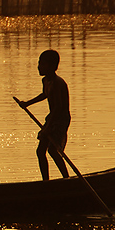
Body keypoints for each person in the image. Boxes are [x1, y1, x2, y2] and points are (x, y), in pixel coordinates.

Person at [15, 49, 70, 180]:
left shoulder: (58, 83)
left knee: (53, 150)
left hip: (60, 119)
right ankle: (46, 181)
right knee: (40, 151)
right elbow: (45, 95)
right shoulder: (46, 81)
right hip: (52, 118)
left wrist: (47, 128)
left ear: (52, 66)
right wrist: (27, 103)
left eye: (42, 64)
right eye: (39, 63)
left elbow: (58, 108)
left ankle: (67, 179)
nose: (39, 67)